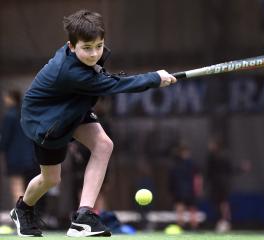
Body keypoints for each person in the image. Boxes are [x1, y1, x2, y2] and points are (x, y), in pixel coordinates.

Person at [9, 9, 177, 237]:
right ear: (71, 46)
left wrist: (154, 78)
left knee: (104, 145)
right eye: (87, 48)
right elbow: (116, 85)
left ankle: (83, 217)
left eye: (99, 46)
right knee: (51, 179)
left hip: (72, 106)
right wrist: (155, 78)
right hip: (46, 121)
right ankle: (23, 209)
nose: (94, 53)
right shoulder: (71, 73)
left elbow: (103, 78)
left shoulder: (83, 60)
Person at [0, 90, 39, 204]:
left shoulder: (9, 116)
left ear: (12, 98)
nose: (4, 100)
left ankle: (19, 215)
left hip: (14, 157)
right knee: (29, 187)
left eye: (6, 97)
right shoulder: (25, 115)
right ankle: (28, 214)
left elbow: (5, 139)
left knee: (17, 186)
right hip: (30, 157)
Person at [168, 144, 202, 230]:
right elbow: (172, 179)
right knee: (182, 208)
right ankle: (185, 227)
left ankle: (190, 227)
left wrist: (198, 189)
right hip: (182, 190)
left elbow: (197, 178)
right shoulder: (177, 164)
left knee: (189, 209)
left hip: (185, 190)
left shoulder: (189, 164)